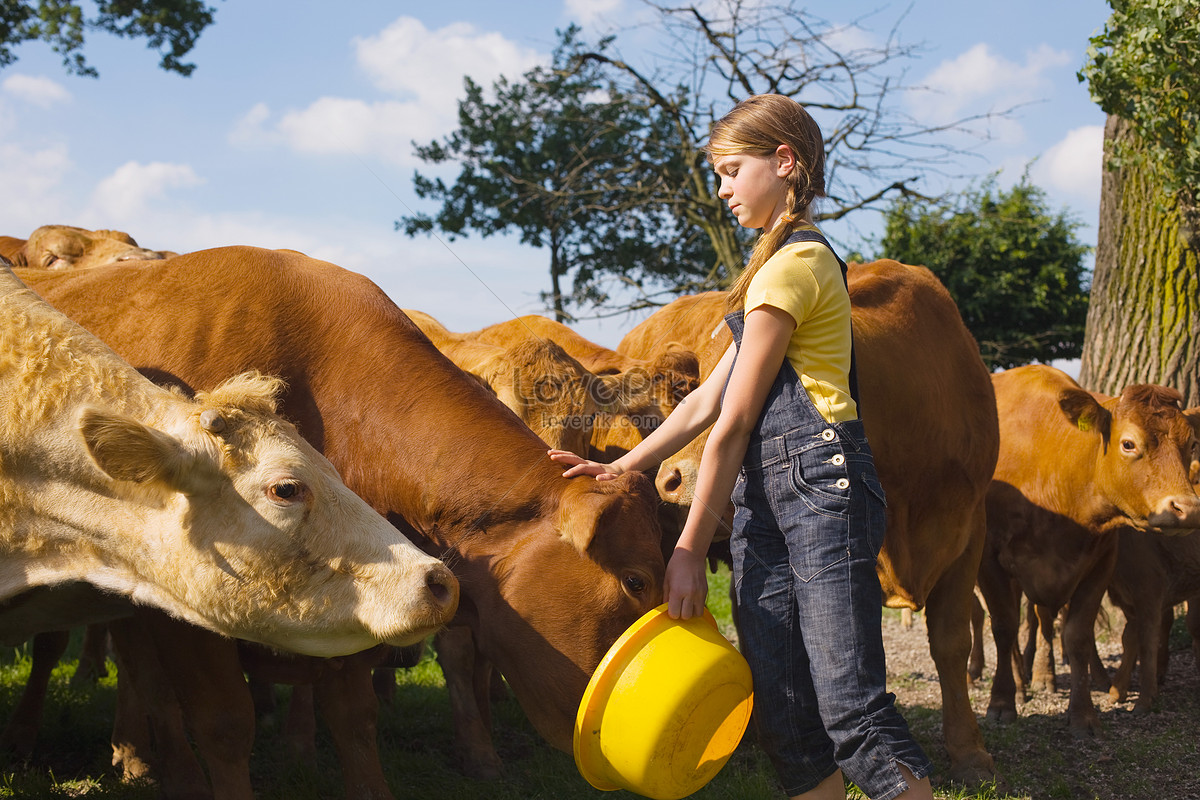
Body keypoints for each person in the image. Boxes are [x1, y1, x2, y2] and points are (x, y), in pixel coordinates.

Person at [549, 94, 934, 800]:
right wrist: (622, 466)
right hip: (770, 494)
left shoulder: (799, 265)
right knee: (782, 704)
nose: (722, 189)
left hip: (823, 488)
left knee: (848, 702)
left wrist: (690, 548)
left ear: (784, 162)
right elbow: (702, 401)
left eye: (730, 170)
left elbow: (731, 421)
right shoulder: (770, 271)